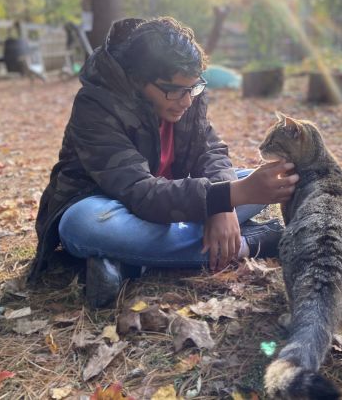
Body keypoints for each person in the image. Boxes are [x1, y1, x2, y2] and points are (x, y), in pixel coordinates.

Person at [28, 17, 299, 308]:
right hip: (107, 206)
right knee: (80, 225)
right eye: (174, 90)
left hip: (173, 204)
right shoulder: (96, 106)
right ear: (137, 80)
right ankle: (251, 242)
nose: (187, 101)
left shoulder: (187, 93)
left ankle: (128, 264)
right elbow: (141, 194)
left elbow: (211, 151)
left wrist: (223, 203)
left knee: (264, 178)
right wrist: (230, 195)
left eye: (193, 88)